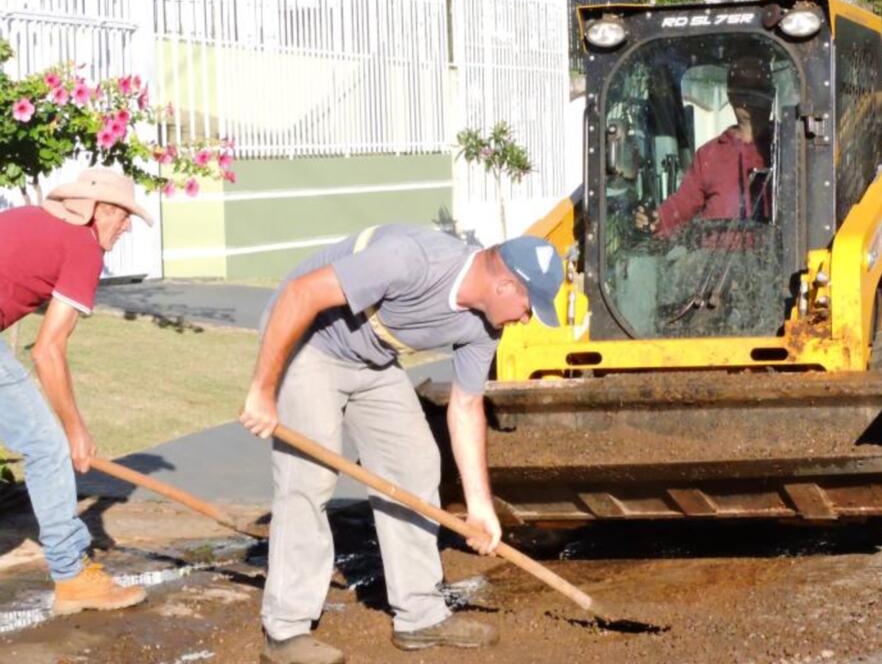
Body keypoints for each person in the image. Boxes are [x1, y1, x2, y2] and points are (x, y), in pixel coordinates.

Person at [240, 224, 563, 664]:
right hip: (308, 341)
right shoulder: (411, 259)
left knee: (415, 464)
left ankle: (420, 616)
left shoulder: (485, 327)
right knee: (309, 478)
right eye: (528, 308)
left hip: (371, 357)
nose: (525, 320)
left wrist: (480, 506)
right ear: (505, 285)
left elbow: (466, 406)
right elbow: (300, 293)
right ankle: (286, 629)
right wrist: (262, 390)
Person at [0, 167, 153, 615]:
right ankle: (72, 575)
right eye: (124, 216)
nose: (126, 228)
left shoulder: (28, 219)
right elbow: (47, 350)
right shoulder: (83, 247)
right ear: (99, 210)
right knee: (47, 447)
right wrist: (75, 430)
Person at [636, 56, 775, 237]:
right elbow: (683, 204)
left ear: (771, 94)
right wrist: (657, 219)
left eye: (758, 91)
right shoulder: (709, 155)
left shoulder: (791, 147)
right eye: (743, 91)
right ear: (730, 95)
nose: (750, 100)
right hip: (716, 254)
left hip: (779, 253)